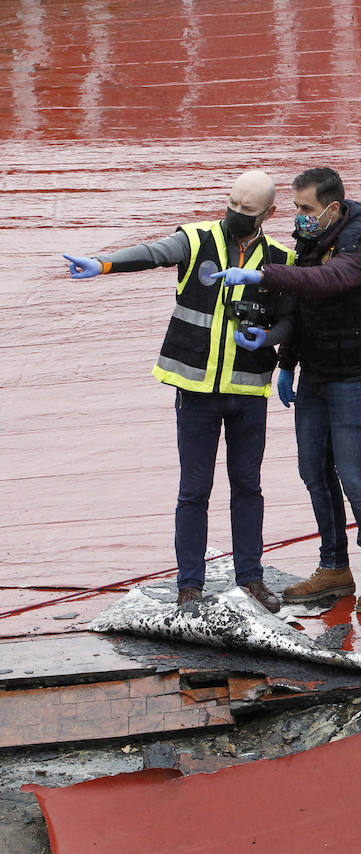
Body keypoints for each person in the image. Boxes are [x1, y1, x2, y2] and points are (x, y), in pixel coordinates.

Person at [62, 170, 293, 613]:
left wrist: (268, 340)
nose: (236, 214)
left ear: (269, 213)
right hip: (196, 390)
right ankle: (190, 584)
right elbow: (153, 253)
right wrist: (104, 264)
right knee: (194, 489)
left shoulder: (280, 257)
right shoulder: (197, 238)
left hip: (247, 391)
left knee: (248, 486)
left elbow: (289, 317)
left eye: (248, 210)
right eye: (233, 204)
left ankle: (251, 578)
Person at [214, 167, 361, 614]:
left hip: (358, 375)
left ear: (332, 208)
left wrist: (263, 277)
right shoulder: (311, 239)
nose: (298, 217)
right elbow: (302, 305)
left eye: (305, 209)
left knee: (357, 477)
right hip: (316, 372)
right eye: (295, 208)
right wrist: (284, 355)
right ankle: (334, 565)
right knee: (313, 472)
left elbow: (329, 281)